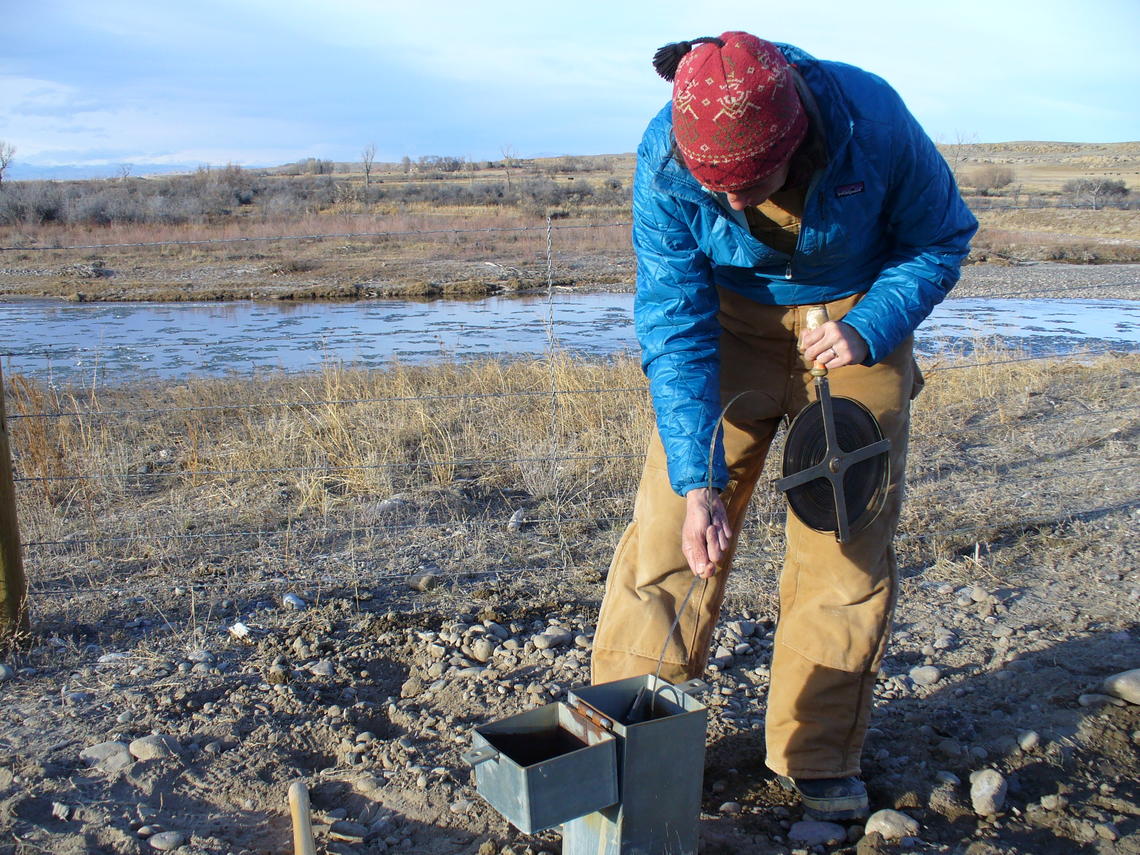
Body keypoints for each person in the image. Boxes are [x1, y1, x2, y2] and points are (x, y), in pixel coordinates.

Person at [590, 32, 977, 821]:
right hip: (728, 328)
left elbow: (941, 237)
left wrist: (871, 325)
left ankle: (818, 755)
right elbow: (674, 316)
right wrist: (698, 481)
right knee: (671, 528)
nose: (733, 203)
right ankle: (624, 740)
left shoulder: (873, 118)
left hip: (853, 322)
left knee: (843, 538)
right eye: (715, 186)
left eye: (751, 182)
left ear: (794, 133)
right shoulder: (664, 155)